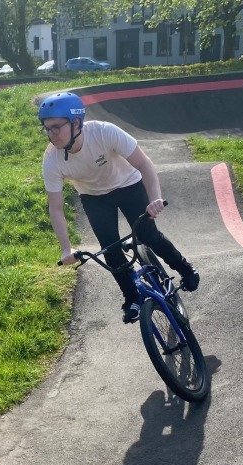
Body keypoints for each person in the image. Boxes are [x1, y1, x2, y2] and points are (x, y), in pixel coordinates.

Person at [40, 91, 199, 324]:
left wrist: (154, 199)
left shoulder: (104, 132)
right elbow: (55, 207)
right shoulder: (52, 159)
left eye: (56, 127)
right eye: (46, 128)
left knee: (148, 235)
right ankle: (131, 297)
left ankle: (185, 268)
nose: (51, 134)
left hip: (128, 185)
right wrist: (66, 249)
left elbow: (144, 164)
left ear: (76, 122)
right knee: (110, 249)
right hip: (94, 198)